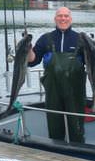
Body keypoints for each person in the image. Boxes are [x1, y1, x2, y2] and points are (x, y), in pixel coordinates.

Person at [27, 7, 86, 143]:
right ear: (55, 19)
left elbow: (93, 63)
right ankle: (56, 152)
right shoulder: (45, 39)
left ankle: (78, 152)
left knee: (76, 128)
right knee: (54, 127)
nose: (63, 18)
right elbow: (32, 61)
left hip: (75, 93)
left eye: (66, 16)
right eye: (60, 16)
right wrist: (28, 49)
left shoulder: (80, 39)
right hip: (53, 92)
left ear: (70, 19)